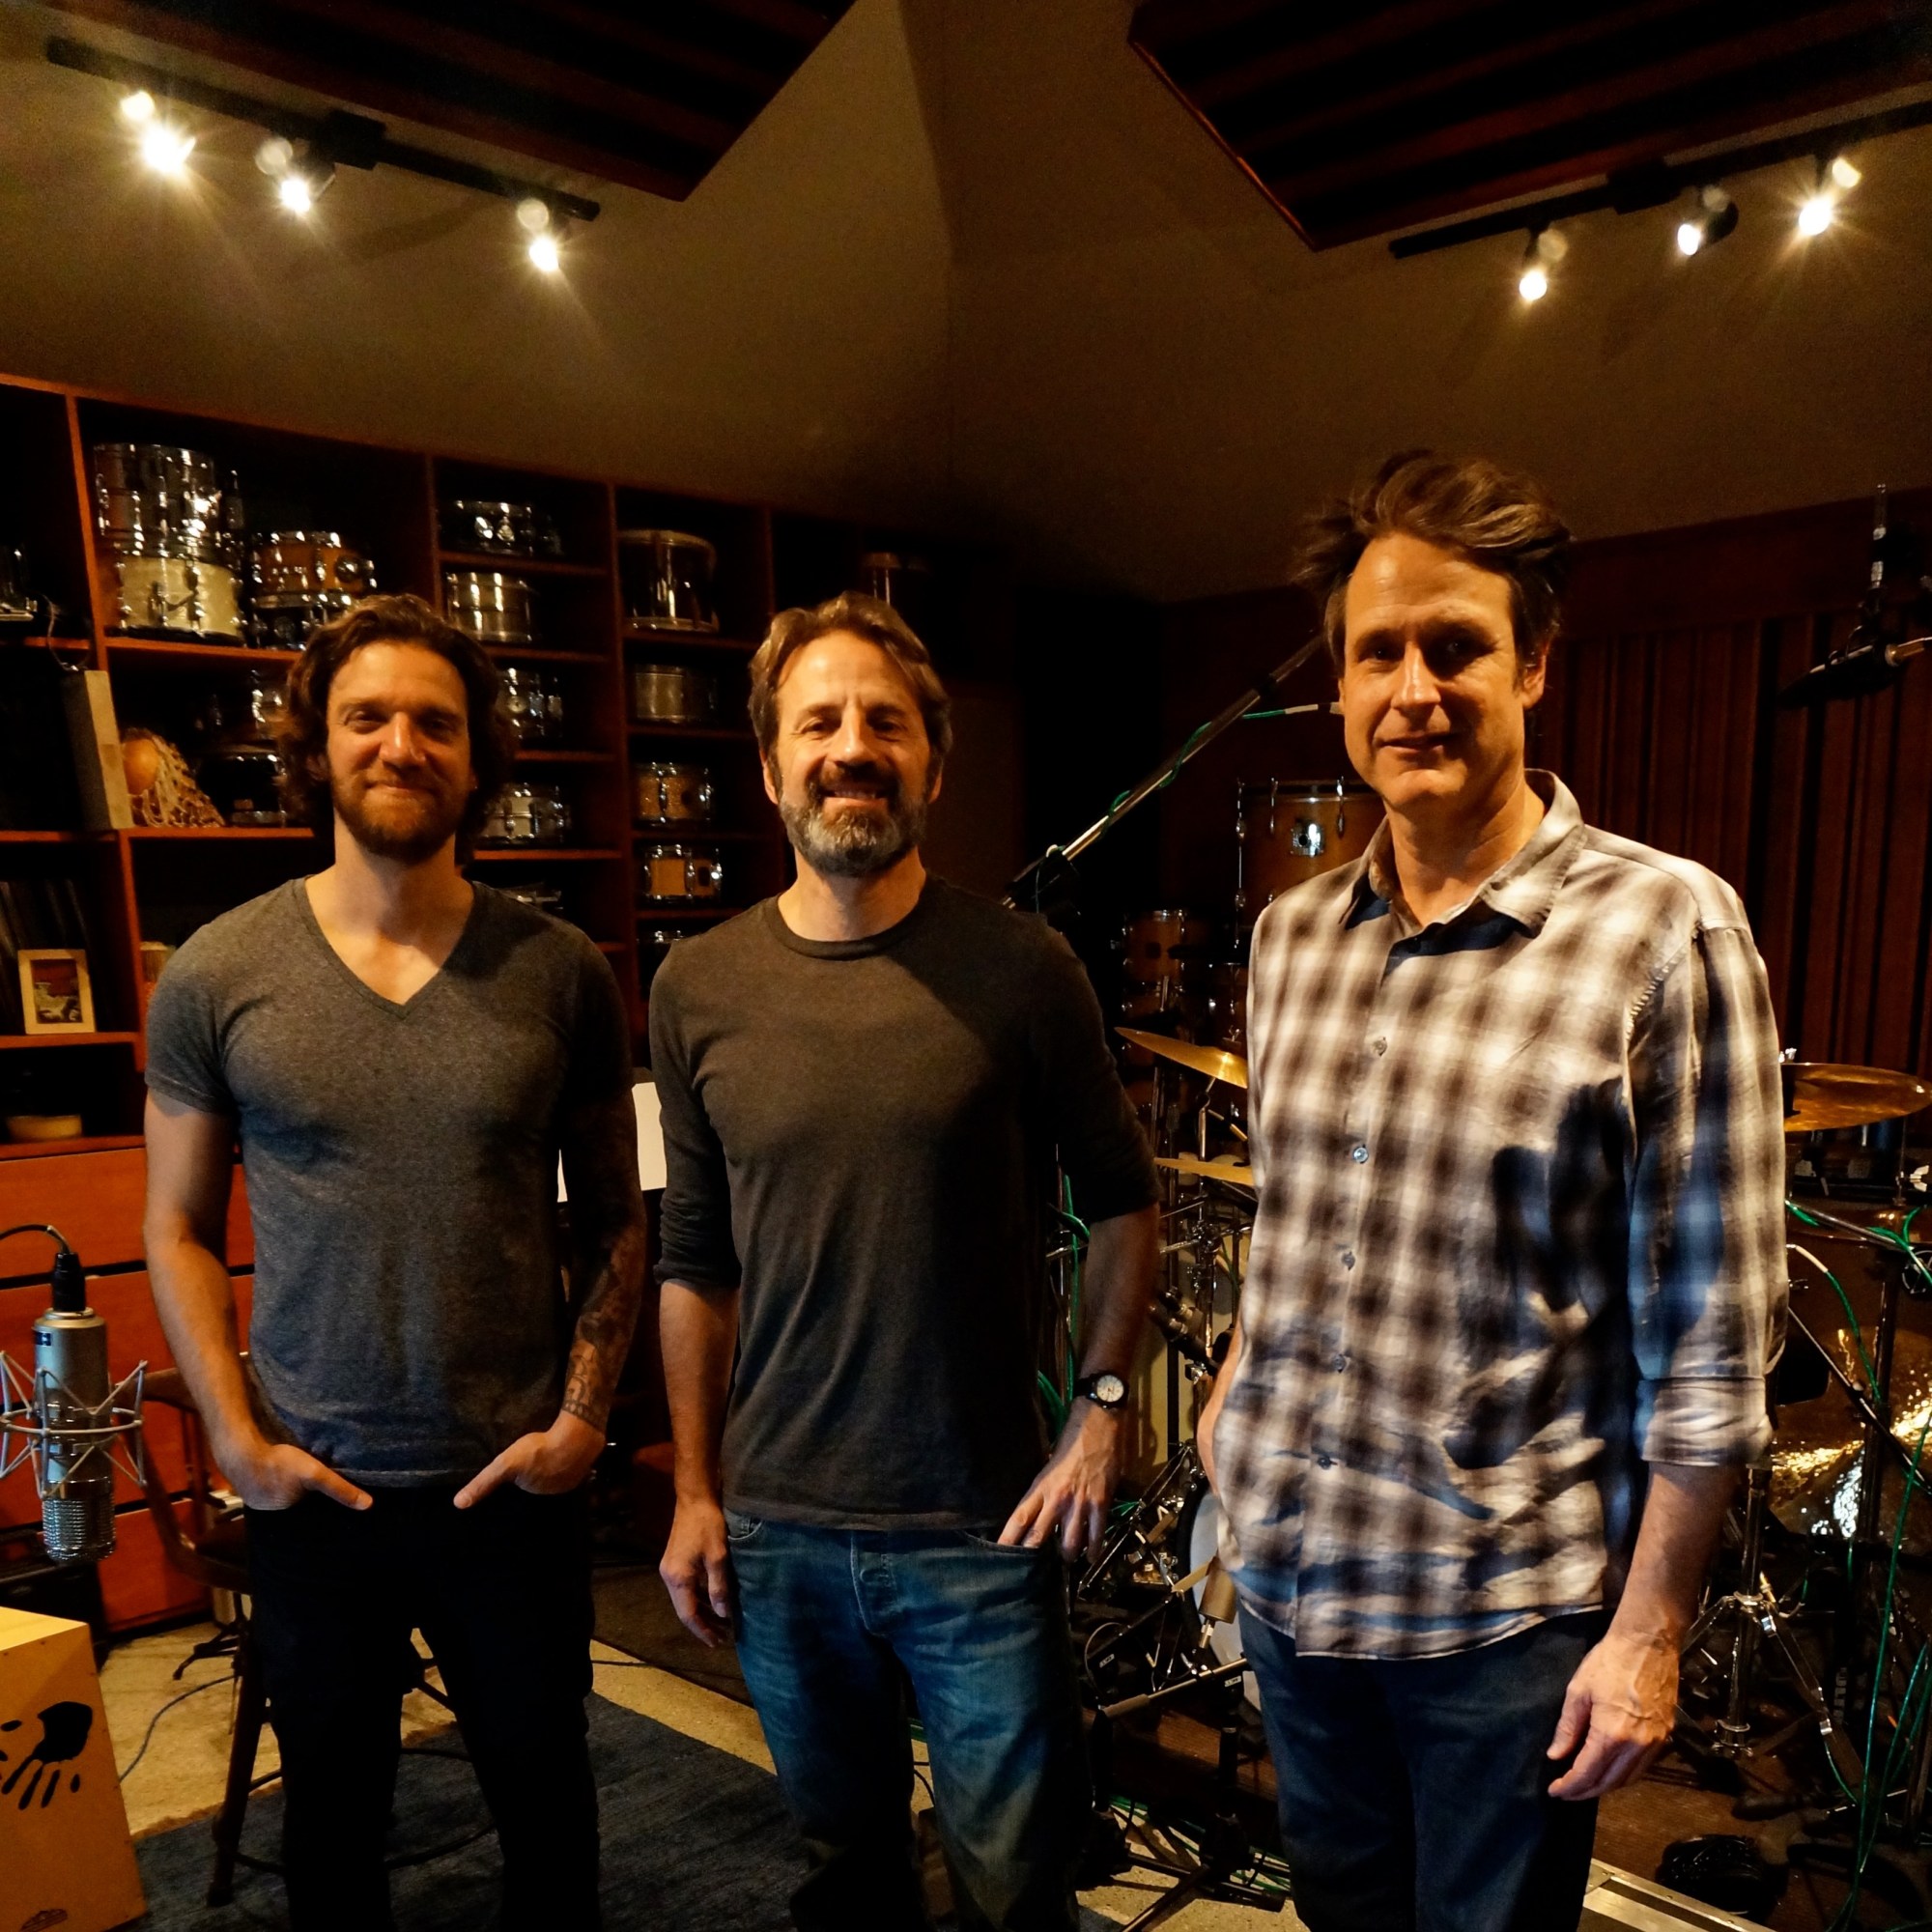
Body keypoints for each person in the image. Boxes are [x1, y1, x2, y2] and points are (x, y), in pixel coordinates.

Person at [1196, 453, 1786, 1932]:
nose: (1415, 691)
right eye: (1377, 653)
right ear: (1338, 684)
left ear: (1532, 663)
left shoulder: (1666, 931)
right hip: (1294, 1591)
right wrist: (1231, 1407)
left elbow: (1713, 1349)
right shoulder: (1289, 939)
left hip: (1497, 1629)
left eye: (1455, 647)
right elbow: (1296, 1224)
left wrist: (1649, 1632)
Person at [651, 592, 1158, 1931]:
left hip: (981, 1526)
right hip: (777, 1527)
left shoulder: (1025, 968)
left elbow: (1125, 1202)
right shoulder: (696, 987)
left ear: (934, 760)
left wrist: (1102, 1411)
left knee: (1015, 1890)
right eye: (818, 722)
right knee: (847, 1873)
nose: (851, 748)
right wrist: (695, 1490)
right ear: (771, 765)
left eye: (885, 722)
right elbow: (694, 1261)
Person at [142, 592, 646, 1931]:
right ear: (316, 748)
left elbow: (613, 1215)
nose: (401, 745)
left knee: (550, 1816)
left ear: (479, 760)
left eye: (437, 722)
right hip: (316, 1493)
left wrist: (583, 1420)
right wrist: (237, 1440)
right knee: (331, 1831)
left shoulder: (561, 971)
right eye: (367, 717)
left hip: (510, 1487)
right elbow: (176, 1225)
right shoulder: (216, 973)